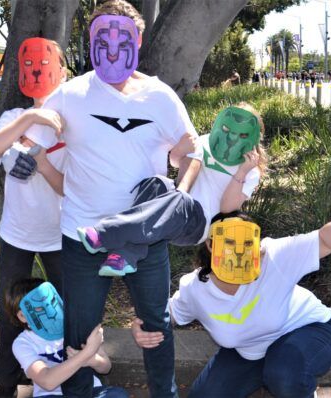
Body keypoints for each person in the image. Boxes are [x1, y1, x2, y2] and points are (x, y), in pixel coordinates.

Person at [18, 2, 200, 397]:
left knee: (156, 325)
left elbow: (186, 152)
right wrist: (27, 149)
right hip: (81, 234)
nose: (113, 48)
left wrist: (180, 195)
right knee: (79, 330)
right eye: (103, 38)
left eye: (123, 39)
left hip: (146, 240)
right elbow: (34, 144)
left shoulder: (160, 97)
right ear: (91, 40)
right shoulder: (70, 94)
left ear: (138, 40)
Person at [132, 204, 331, 398]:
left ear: (257, 245)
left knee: (284, 376)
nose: (239, 251)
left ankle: (296, 385)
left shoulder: (273, 256)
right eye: (229, 242)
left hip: (308, 330)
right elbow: (169, 313)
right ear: (210, 244)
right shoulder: (196, 288)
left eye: (247, 243)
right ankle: (270, 372)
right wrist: (142, 325)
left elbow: (320, 240)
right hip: (250, 352)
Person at [0, 37, 68, 398]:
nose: (38, 70)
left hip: (61, 236)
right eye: (29, 65)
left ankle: (71, 377)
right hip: (16, 235)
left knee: (67, 313)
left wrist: (43, 164)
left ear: (62, 70)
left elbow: (70, 189)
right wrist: (30, 117)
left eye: (47, 64)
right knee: (10, 314)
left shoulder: (72, 123)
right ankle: (6, 387)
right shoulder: (13, 118)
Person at [77, 104, 265, 277]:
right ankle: (125, 257)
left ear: (254, 137)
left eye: (242, 135)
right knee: (157, 183)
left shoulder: (251, 171)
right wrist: (179, 151)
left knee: (180, 198)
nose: (231, 139)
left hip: (198, 225)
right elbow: (177, 162)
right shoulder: (207, 141)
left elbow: (227, 207)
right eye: (227, 130)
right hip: (175, 207)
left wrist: (242, 171)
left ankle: (104, 234)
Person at [6, 278, 128, 398]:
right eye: (40, 308)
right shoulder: (23, 343)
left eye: (52, 302)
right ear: (22, 316)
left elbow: (106, 367)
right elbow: (47, 382)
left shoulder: (77, 326)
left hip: (90, 390)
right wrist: (86, 354)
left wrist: (92, 360)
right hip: (52, 395)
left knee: (118, 395)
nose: (51, 312)